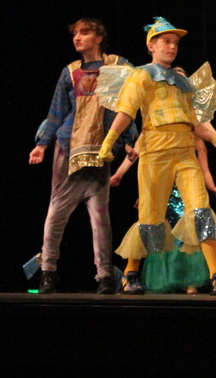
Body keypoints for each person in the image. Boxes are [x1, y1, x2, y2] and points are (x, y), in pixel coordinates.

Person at [99, 17, 216, 295]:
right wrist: (109, 140)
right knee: (151, 216)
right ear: (151, 46)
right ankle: (130, 273)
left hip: (185, 153)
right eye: (166, 42)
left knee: (201, 210)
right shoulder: (141, 75)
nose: (172, 47)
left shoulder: (182, 82)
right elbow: (126, 111)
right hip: (155, 153)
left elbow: (194, 123)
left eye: (175, 43)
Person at [28, 18, 137, 295]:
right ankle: (48, 272)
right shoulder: (70, 71)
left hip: (101, 149)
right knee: (57, 211)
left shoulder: (118, 65)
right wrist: (43, 144)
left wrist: (129, 139)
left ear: (99, 37)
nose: (77, 37)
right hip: (70, 147)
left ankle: (104, 276)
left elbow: (128, 103)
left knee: (100, 218)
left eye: (84, 33)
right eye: (75, 33)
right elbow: (57, 111)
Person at [110, 135, 216, 294]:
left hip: (185, 194)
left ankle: (191, 281)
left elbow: (205, 170)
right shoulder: (154, 133)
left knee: (187, 237)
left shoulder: (197, 143)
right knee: (155, 229)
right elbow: (137, 155)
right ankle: (152, 277)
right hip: (162, 193)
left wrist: (212, 186)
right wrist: (120, 174)